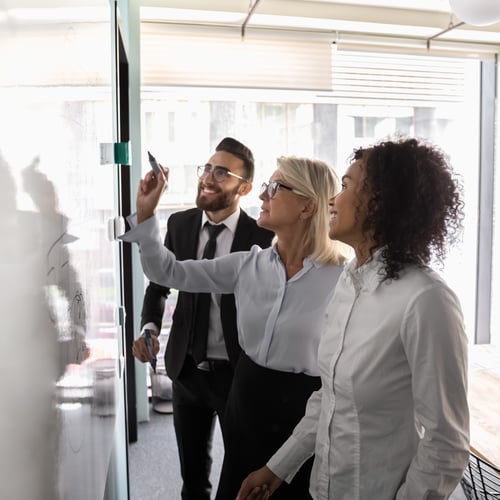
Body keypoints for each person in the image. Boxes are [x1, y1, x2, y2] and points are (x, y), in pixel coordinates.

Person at [236, 137, 470, 500]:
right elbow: (329, 398)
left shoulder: (426, 299)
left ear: (380, 201)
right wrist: (276, 468)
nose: (332, 199)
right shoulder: (348, 280)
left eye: (345, 186)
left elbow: (446, 443)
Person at [121, 154, 350, 499]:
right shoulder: (248, 265)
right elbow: (168, 272)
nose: (262, 195)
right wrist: (146, 213)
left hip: (305, 411)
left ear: (308, 206)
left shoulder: (343, 279)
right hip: (246, 398)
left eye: (275, 187)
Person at [132, 137, 274, 500]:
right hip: (187, 371)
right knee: (192, 480)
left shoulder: (262, 236)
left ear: (244, 188)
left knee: (242, 474)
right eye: (207, 168)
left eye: (222, 172)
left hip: (238, 374)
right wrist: (150, 327)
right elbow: (159, 285)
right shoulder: (180, 224)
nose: (208, 178)